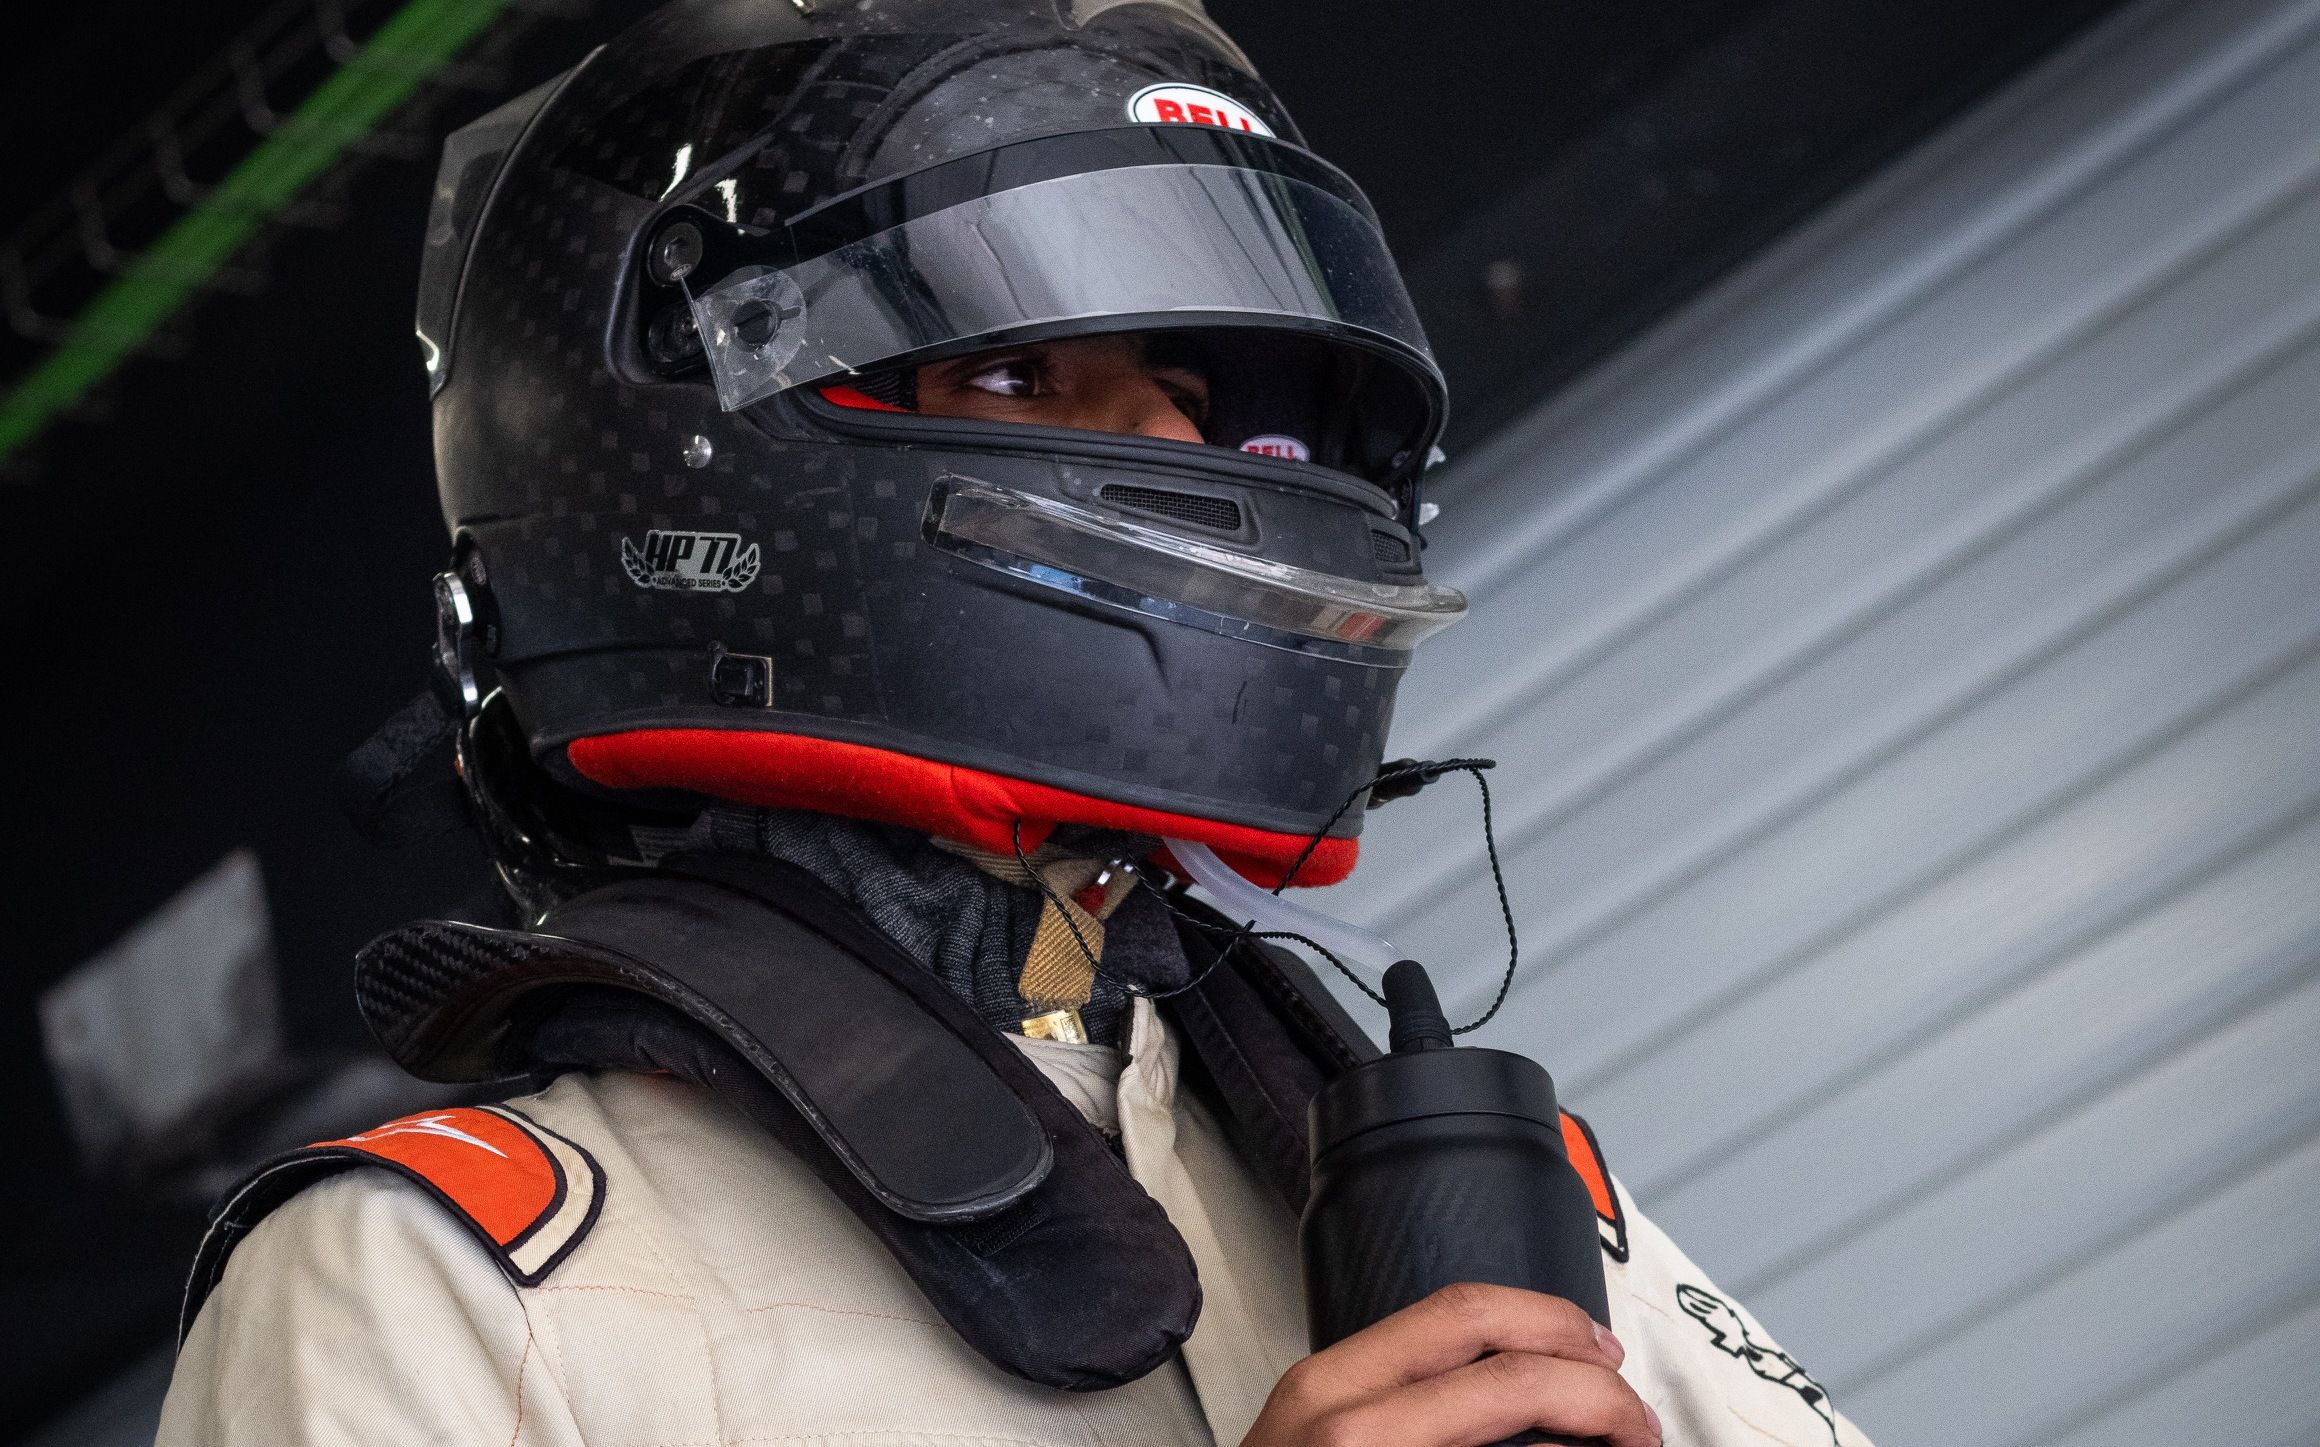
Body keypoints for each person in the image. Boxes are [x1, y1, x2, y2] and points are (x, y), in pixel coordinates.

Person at [157, 3, 1871, 1444]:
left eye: (1188, 397)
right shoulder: (434, 1281)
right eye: (1013, 370)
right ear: (687, 446)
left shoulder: (1470, 1188)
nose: (1172, 453)